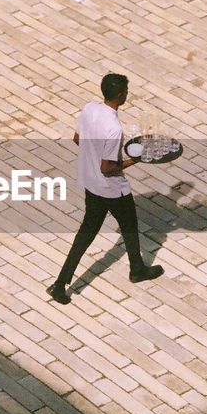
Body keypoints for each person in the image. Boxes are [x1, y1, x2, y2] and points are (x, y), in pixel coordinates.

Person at [48, 73, 163, 304]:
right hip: (112, 189)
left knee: (85, 234)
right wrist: (136, 160)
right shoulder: (113, 128)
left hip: (90, 184)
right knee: (129, 225)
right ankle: (137, 269)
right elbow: (108, 166)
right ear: (120, 96)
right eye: (126, 92)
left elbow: (77, 139)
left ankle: (60, 283)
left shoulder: (89, 109)